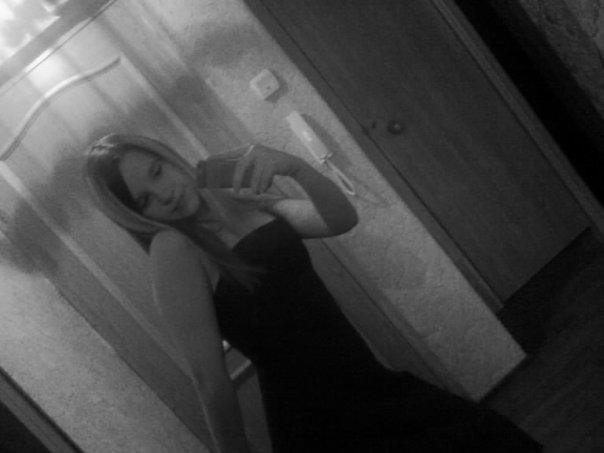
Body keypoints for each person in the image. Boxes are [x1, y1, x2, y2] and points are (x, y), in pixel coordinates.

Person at [84, 133, 541, 452]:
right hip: (319, 425)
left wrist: (296, 166)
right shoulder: (173, 248)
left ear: (168, 156)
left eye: (157, 172)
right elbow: (209, 379)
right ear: (137, 216)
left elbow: (339, 219)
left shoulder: (234, 200)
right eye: (144, 199)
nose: (163, 194)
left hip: (372, 386)